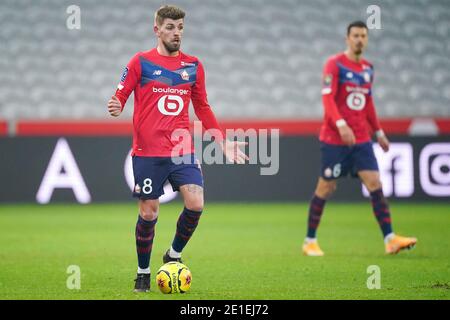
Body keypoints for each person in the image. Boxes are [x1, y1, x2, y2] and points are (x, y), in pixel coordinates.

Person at [107, 5, 247, 292]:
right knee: (149, 213)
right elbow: (120, 94)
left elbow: (203, 107)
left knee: (196, 204)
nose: (177, 33)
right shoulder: (140, 62)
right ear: (156, 29)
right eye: (170, 27)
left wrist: (221, 141)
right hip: (147, 152)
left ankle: (173, 254)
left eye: (180, 27)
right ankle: (143, 273)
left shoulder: (193, 66)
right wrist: (117, 104)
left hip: (182, 149)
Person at [302, 21, 417, 257]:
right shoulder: (334, 65)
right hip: (334, 140)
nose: (359, 40)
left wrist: (379, 131)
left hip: (362, 140)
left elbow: (368, 104)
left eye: (363, 36)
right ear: (347, 38)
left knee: (375, 184)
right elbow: (328, 99)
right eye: (355, 35)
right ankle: (309, 241)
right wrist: (341, 124)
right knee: (326, 187)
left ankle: (390, 239)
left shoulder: (368, 69)